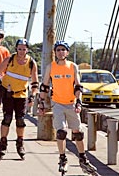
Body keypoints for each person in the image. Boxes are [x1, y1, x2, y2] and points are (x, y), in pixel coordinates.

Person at [39, 40, 99, 175]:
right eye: (58, 50)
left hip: (71, 102)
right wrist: (41, 102)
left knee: (78, 132)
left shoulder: (73, 66)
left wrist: (78, 101)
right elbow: (44, 86)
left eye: (63, 50)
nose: (60, 52)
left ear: (67, 52)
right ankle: (62, 158)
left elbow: (78, 86)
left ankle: (83, 158)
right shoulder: (51, 67)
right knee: (61, 132)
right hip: (57, 103)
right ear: (55, 52)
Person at [0, 38, 39, 160]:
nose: (21, 51)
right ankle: (3, 143)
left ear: (27, 49)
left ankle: (20, 143)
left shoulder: (31, 63)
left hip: (21, 95)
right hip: (8, 92)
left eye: (24, 49)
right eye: (19, 48)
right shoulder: (10, 59)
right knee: (7, 118)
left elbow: (35, 83)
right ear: (16, 48)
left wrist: (32, 95)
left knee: (20, 120)